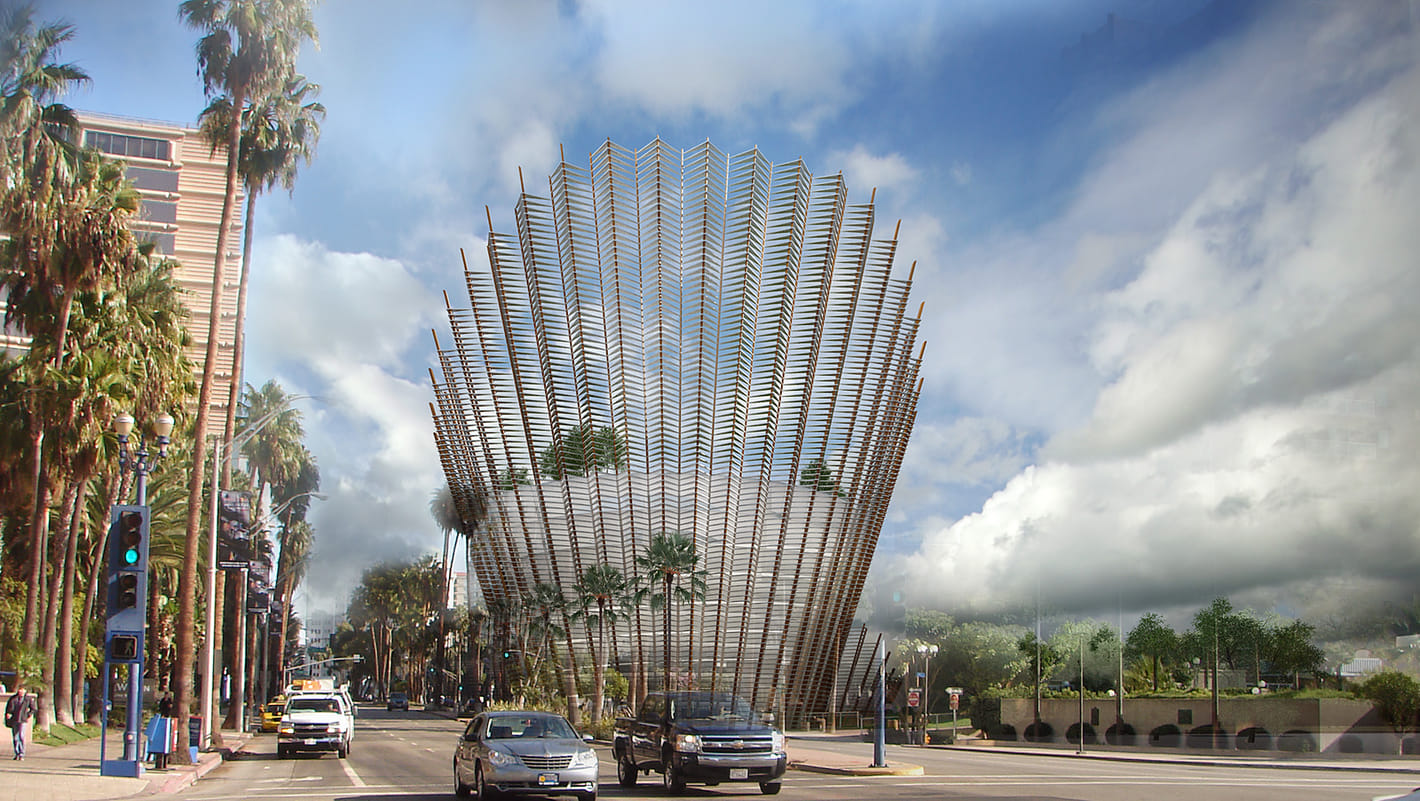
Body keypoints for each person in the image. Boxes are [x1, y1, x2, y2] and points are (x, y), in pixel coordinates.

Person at [5, 686, 37, 760]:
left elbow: (34, 709)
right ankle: (17, 753)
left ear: (25, 691)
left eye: (22, 690)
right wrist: (8, 714)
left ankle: (21, 753)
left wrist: (28, 714)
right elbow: (9, 708)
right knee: (15, 737)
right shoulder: (13, 698)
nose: (21, 692)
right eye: (20, 690)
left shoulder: (28, 699)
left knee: (21, 736)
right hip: (14, 719)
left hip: (22, 720)